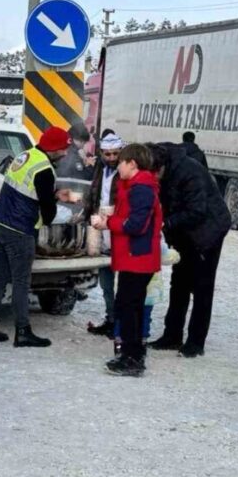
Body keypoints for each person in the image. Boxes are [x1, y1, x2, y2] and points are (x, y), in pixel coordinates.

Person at [0, 126, 71, 347]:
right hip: (20, 230)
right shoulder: (44, 169)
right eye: (63, 149)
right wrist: (56, 201)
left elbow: (27, 189)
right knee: (21, 281)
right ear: (54, 149)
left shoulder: (27, 155)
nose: (66, 153)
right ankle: (22, 331)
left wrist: (51, 194)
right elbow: (48, 212)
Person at [147, 142, 232, 357]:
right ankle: (172, 335)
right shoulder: (166, 171)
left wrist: (166, 223)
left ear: (162, 167)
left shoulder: (189, 171)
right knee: (179, 282)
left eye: (154, 174)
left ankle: (196, 341)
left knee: (202, 287)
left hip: (208, 232)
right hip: (184, 233)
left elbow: (197, 210)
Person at [91, 143, 162, 376]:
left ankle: (132, 357)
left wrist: (107, 223)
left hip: (138, 257)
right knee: (133, 305)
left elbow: (136, 225)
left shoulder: (141, 188)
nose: (117, 166)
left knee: (127, 306)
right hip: (134, 257)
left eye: (120, 162)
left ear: (132, 163)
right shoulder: (133, 185)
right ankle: (134, 351)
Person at [87, 133, 124, 337]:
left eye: (115, 154)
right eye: (107, 154)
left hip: (118, 227)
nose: (111, 157)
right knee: (106, 280)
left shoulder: (125, 171)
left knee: (122, 283)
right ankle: (111, 318)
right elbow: (94, 192)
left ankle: (120, 322)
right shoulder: (100, 169)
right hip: (100, 225)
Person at [54, 124, 94, 198]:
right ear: (77, 139)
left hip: (59, 192)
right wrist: (89, 165)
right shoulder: (73, 155)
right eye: (83, 142)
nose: (83, 145)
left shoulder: (62, 149)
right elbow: (83, 178)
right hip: (67, 195)